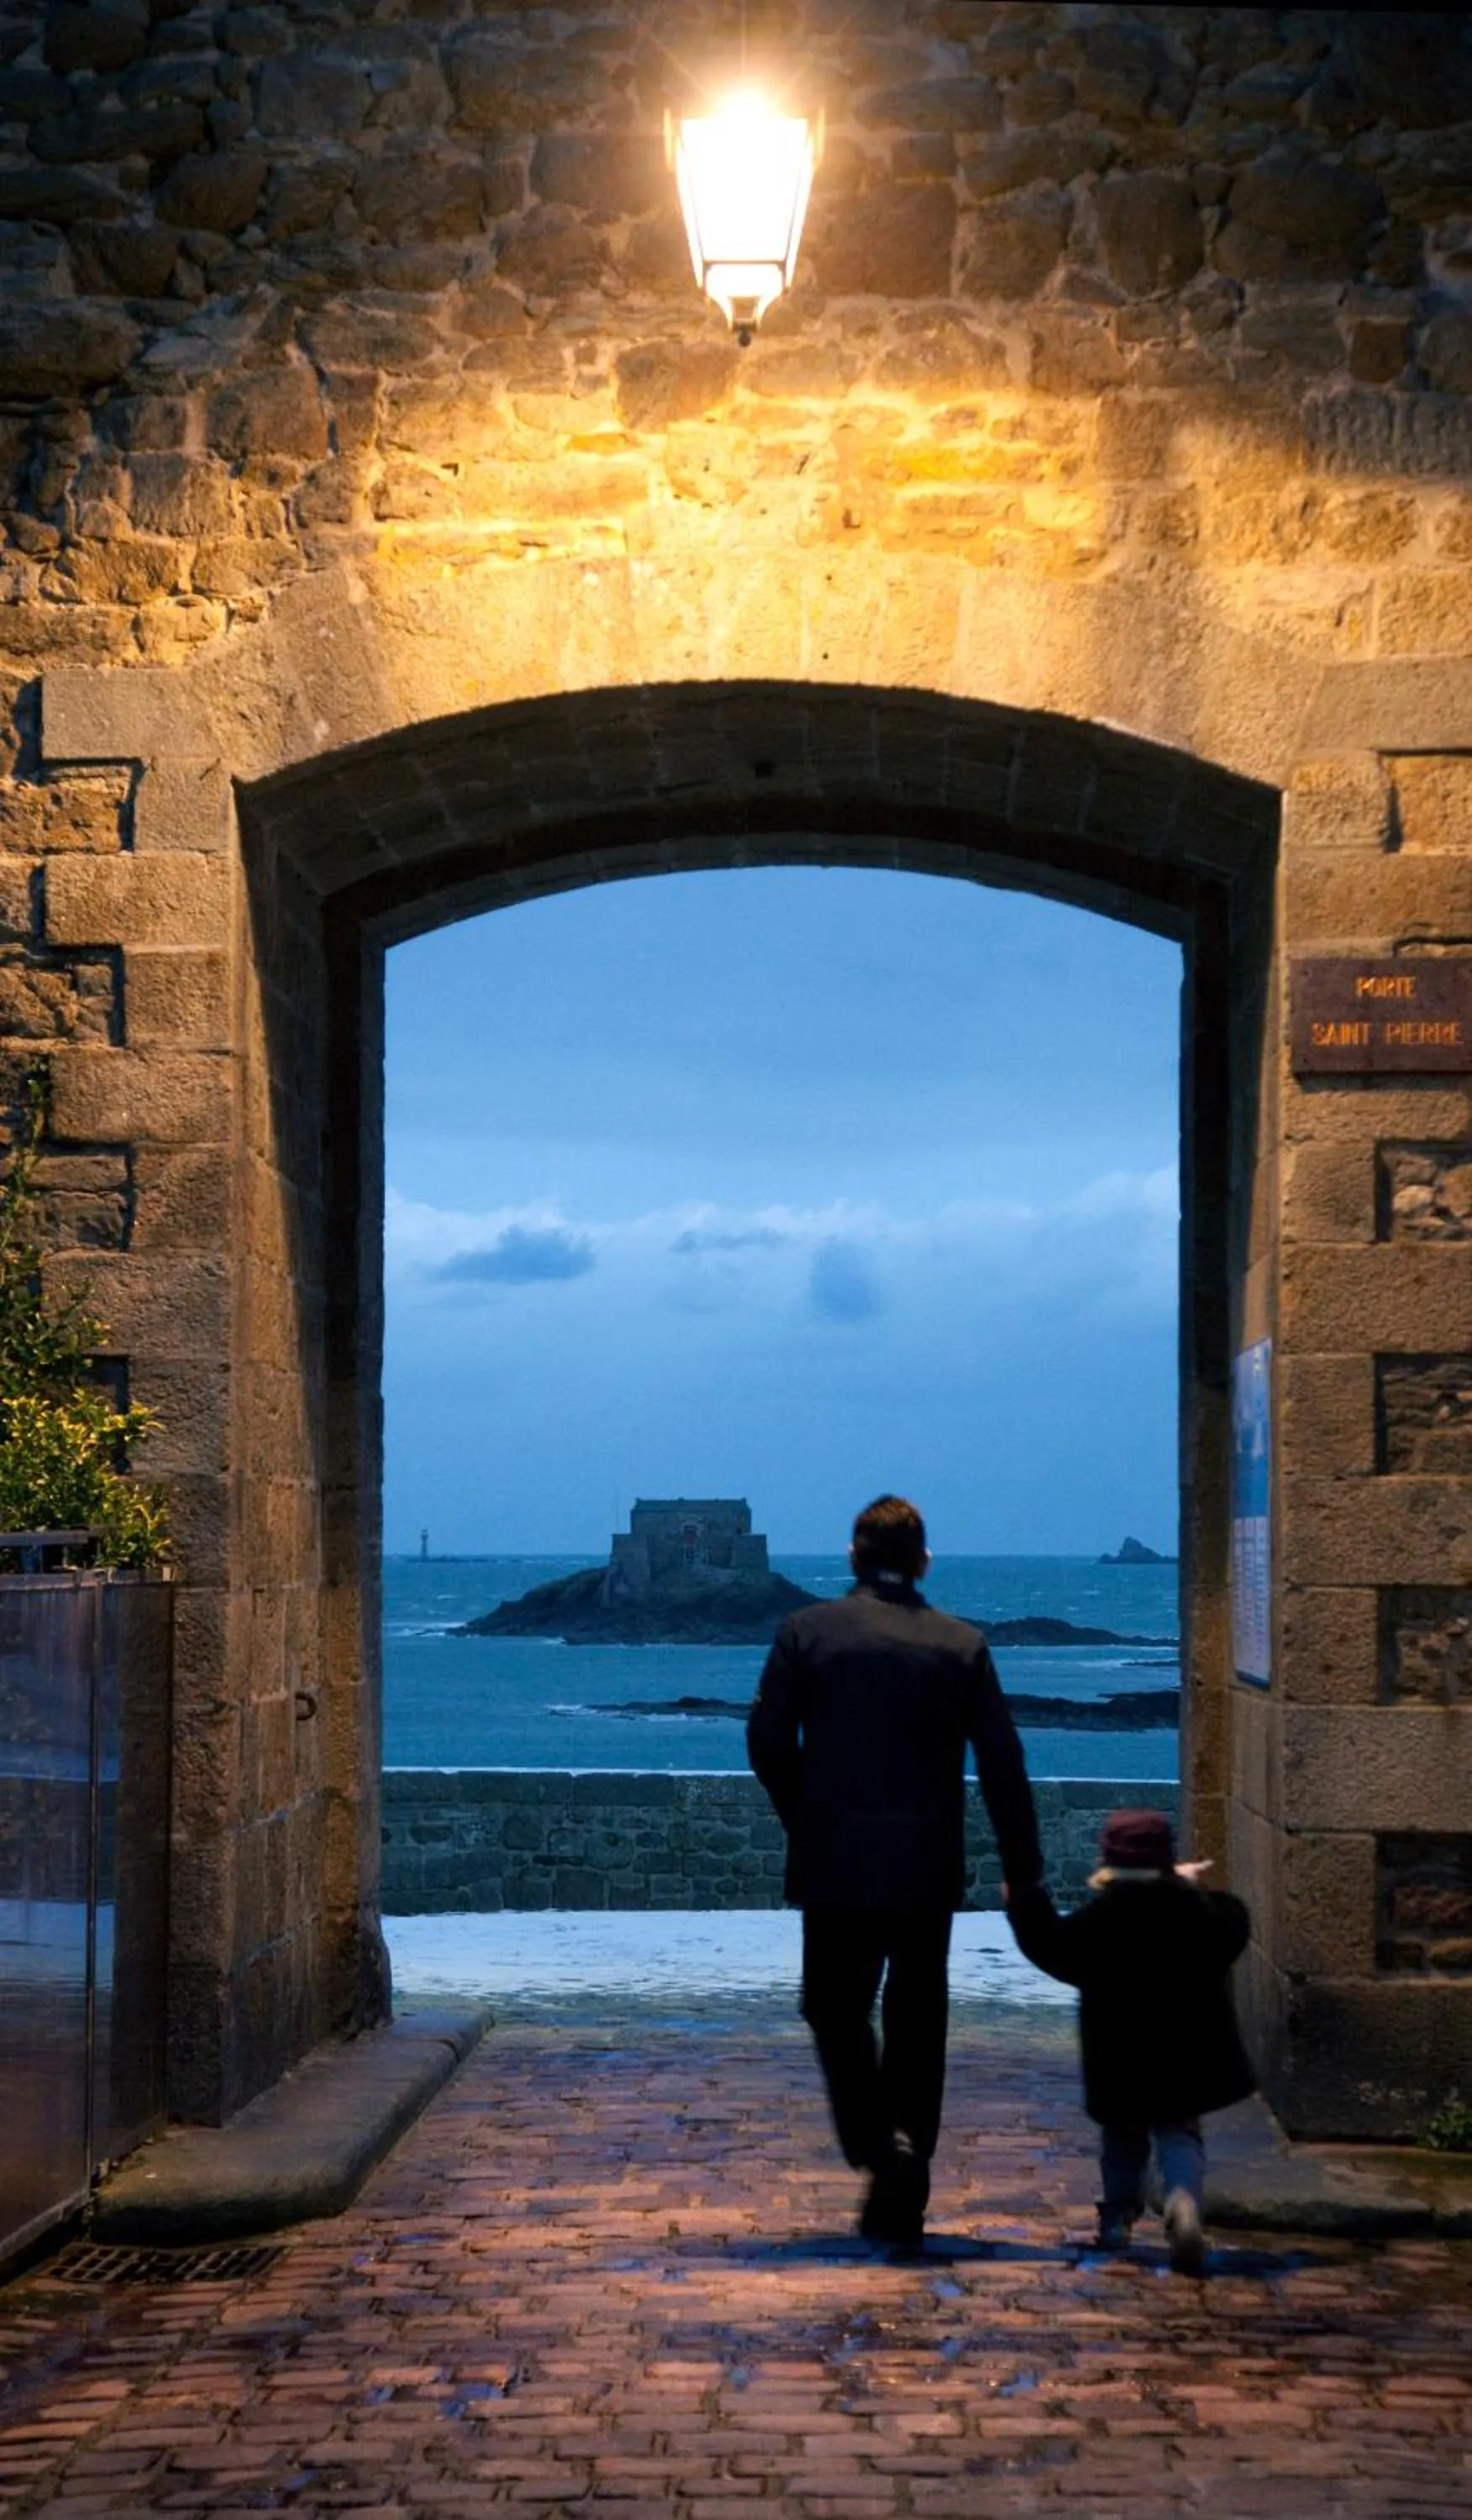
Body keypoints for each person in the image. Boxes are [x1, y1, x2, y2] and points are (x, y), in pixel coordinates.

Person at [747, 1494, 1044, 2250]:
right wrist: (1024, 1871)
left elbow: (768, 1741)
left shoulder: (806, 1633)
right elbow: (1004, 1766)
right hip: (923, 1865)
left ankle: (882, 2148)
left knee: (833, 2009)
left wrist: (803, 1815)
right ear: (922, 1562)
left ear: (852, 1557)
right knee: (917, 2021)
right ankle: (905, 2167)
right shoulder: (960, 1645)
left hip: (835, 1863)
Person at [1007, 1806, 1255, 2276]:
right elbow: (1233, 1923)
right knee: (1179, 2132)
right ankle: (1183, 2205)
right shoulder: (1194, 1915)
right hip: (1184, 2054)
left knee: (1122, 2140)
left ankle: (1118, 2218)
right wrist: (1194, 1888)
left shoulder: (1100, 1918)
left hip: (1117, 2058)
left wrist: (1024, 1901)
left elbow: (1049, 1944)